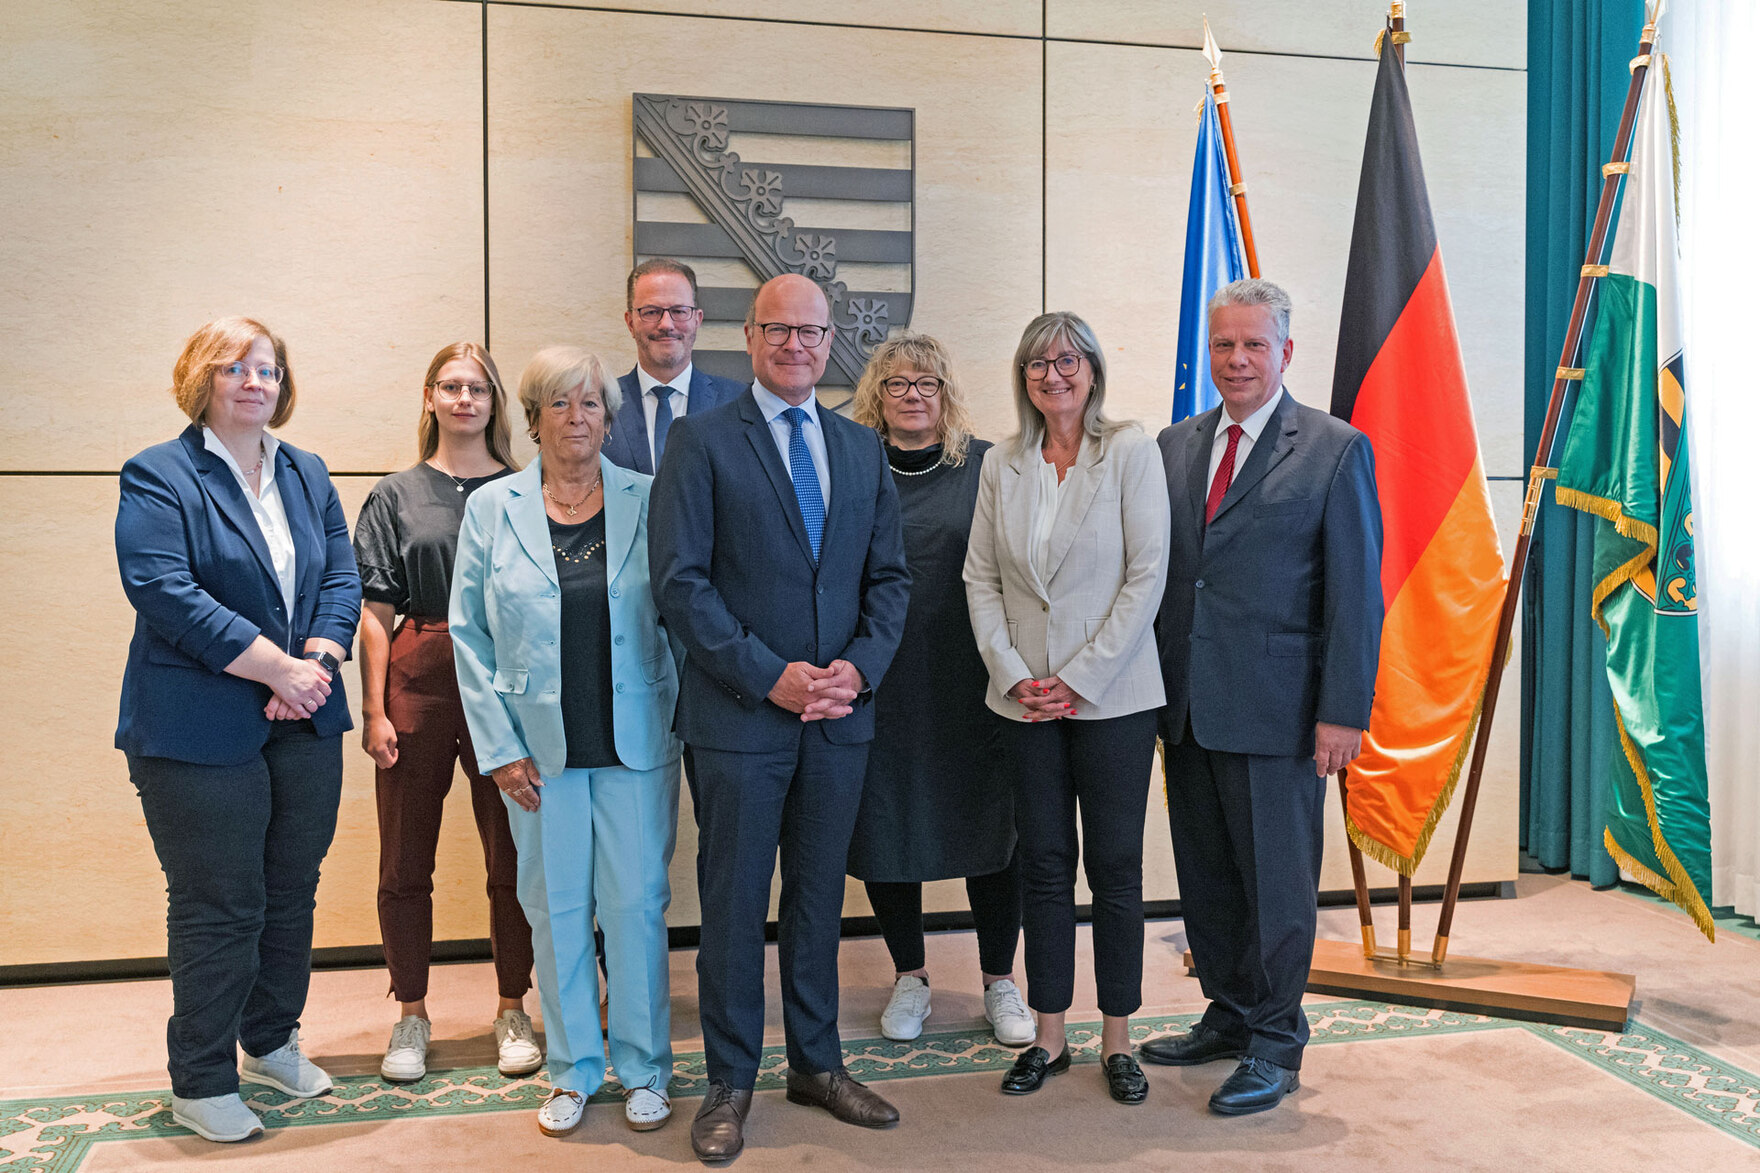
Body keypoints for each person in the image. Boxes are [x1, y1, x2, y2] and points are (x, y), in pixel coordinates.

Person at [650, 274, 911, 1163]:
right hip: (739, 720)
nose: (796, 345)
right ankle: (729, 1079)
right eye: (778, 330)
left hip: (840, 718)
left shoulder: (860, 448)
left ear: (831, 339)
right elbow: (680, 584)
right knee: (731, 901)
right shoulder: (700, 441)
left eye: (811, 331)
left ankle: (817, 1061)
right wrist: (772, 678)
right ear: (750, 337)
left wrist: (856, 671)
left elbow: (890, 581)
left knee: (816, 896)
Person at [114, 317, 361, 1143]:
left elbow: (341, 575)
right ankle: (202, 1075)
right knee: (222, 903)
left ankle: (272, 1039)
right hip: (195, 724)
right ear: (201, 380)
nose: (256, 381)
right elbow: (164, 588)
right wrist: (275, 669)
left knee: (292, 889)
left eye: (268, 368)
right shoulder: (159, 473)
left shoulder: (307, 471)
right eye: (235, 368)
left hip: (306, 711)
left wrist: (316, 663)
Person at [1145, 278, 1382, 1116]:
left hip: (1282, 711)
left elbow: (1357, 594)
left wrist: (1344, 710)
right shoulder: (1175, 444)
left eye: (1253, 345)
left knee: (1278, 886)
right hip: (1188, 704)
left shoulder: (1332, 448)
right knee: (1206, 878)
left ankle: (1278, 1040)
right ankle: (1231, 1011)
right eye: (1223, 346)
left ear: (1286, 352)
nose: (1236, 360)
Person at [451, 346, 683, 1137]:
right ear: (533, 418)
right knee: (554, 912)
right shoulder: (493, 507)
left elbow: (683, 621)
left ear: (609, 421)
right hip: (535, 756)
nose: (576, 418)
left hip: (635, 745)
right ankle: (574, 1068)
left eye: (590, 404)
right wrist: (498, 746)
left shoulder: (650, 499)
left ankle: (647, 1065)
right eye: (559, 403)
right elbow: (468, 635)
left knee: (636, 909)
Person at [963, 311, 1169, 1107]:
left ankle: (1117, 1035)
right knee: (1043, 867)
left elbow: (1145, 575)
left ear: (1092, 368)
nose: (1054, 374)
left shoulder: (1130, 451)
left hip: (1112, 696)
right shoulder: (1002, 463)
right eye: (1038, 363)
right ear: (1023, 378)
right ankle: (1050, 1034)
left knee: (1114, 867)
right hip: (1023, 701)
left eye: (1068, 359)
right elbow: (981, 578)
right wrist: (1013, 673)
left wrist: (1080, 677)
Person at [352, 343, 539, 1084]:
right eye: (451, 386)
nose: (465, 398)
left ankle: (512, 1005)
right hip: (418, 675)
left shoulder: (526, 489)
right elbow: (373, 611)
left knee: (513, 855)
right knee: (405, 857)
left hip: (506, 680)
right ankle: (411, 1013)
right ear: (430, 397)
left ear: (495, 403)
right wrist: (373, 710)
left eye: (479, 388)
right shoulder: (394, 494)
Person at [845, 333, 1030, 1048]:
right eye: (897, 384)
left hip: (975, 677)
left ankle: (999, 981)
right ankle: (911, 977)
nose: (913, 395)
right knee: (888, 825)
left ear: (947, 393)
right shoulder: (854, 466)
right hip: (882, 678)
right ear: (876, 396)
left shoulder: (988, 465)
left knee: (993, 828)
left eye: (926, 382)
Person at [601, 258, 745, 475]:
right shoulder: (598, 405)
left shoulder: (739, 403)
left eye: (679, 311)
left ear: (697, 319)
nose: (666, 324)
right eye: (650, 312)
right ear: (630, 323)